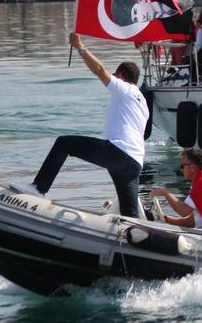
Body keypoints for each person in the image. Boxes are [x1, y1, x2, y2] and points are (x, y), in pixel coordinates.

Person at [12, 33, 148, 218]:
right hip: (134, 162)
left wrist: (80, 47)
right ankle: (137, 239)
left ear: (121, 76)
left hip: (118, 151)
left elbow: (100, 70)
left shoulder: (124, 89)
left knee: (64, 143)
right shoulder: (142, 102)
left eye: (116, 75)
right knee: (130, 214)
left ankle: (39, 187)